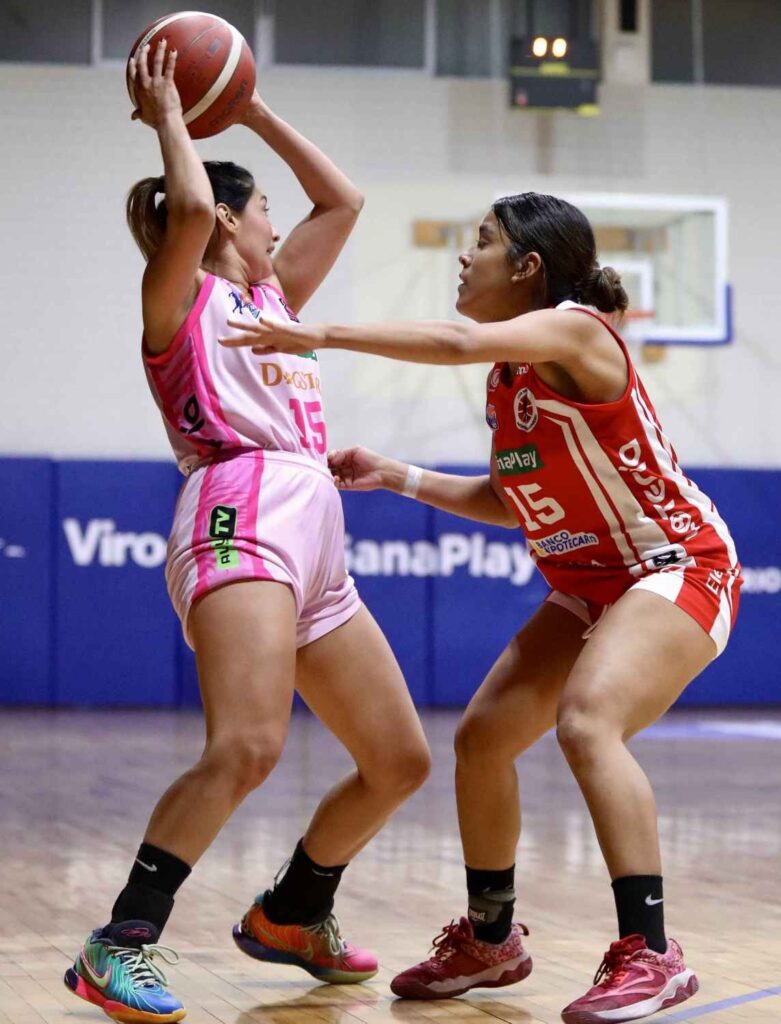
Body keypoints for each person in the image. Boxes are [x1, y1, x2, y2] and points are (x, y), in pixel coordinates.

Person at [222, 191, 742, 1023]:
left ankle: (651, 952)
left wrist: (318, 332)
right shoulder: (509, 379)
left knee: (587, 722)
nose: (464, 257)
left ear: (527, 267)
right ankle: (490, 939)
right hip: (590, 584)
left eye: (482, 242)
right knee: (483, 739)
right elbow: (511, 500)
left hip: (676, 562)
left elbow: (456, 341)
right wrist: (397, 475)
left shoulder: (577, 330)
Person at [64, 40, 431, 1024]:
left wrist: (251, 106)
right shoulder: (179, 291)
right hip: (240, 507)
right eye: (264, 207)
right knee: (248, 744)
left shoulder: (275, 302)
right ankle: (119, 941)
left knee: (398, 758)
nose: (278, 221)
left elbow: (343, 201)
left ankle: (292, 911)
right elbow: (188, 210)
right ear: (229, 218)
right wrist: (173, 119)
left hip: (313, 532)